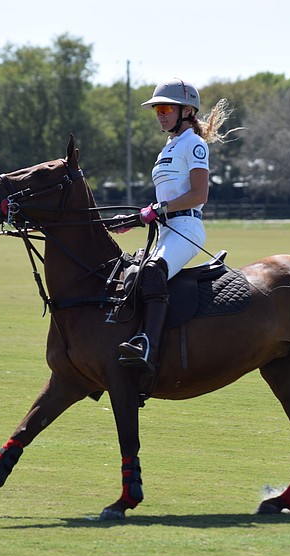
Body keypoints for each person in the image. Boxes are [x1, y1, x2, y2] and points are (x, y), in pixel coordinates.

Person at [116, 78, 236, 377]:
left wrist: (157, 210)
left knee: (153, 271)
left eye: (166, 107)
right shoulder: (169, 146)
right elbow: (165, 199)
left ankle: (147, 346)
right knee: (129, 273)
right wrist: (136, 218)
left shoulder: (193, 144)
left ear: (186, 111)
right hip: (166, 229)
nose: (160, 113)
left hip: (187, 228)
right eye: (157, 109)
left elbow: (199, 195)